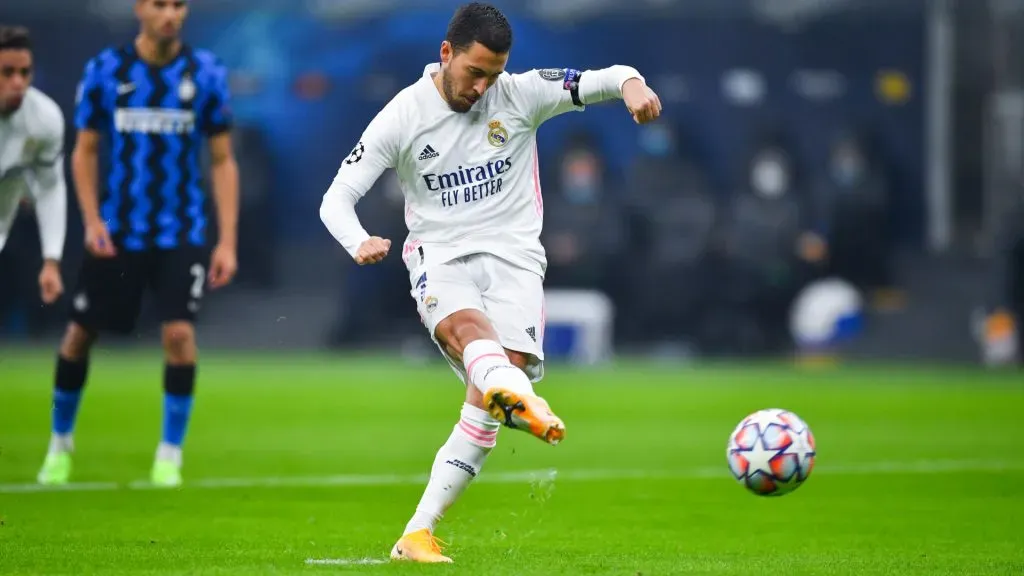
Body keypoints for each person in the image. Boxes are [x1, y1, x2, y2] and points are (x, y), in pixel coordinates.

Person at [319, 2, 661, 563]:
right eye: (474, 72)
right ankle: (519, 397)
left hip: (514, 260)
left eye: (494, 74)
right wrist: (358, 240)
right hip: (440, 255)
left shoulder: (520, 93)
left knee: (491, 392)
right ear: (446, 53)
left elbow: (603, 77)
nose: (482, 87)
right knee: (470, 334)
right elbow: (337, 197)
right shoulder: (403, 115)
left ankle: (417, 533)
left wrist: (632, 86)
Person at [36, 0, 240, 488]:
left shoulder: (204, 72)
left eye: (178, 5)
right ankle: (59, 445)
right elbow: (83, 151)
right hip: (118, 230)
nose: (170, 14)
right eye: (160, 4)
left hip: (182, 231)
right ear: (140, 9)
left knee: (179, 337)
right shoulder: (106, 70)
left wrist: (226, 240)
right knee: (79, 335)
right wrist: (89, 220)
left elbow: (222, 161)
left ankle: (170, 454)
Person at [0, 25, 66, 311]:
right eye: (7, 72)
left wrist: (51, 259)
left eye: (25, 73)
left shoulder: (45, 119)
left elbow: (50, 187)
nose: (18, 83)